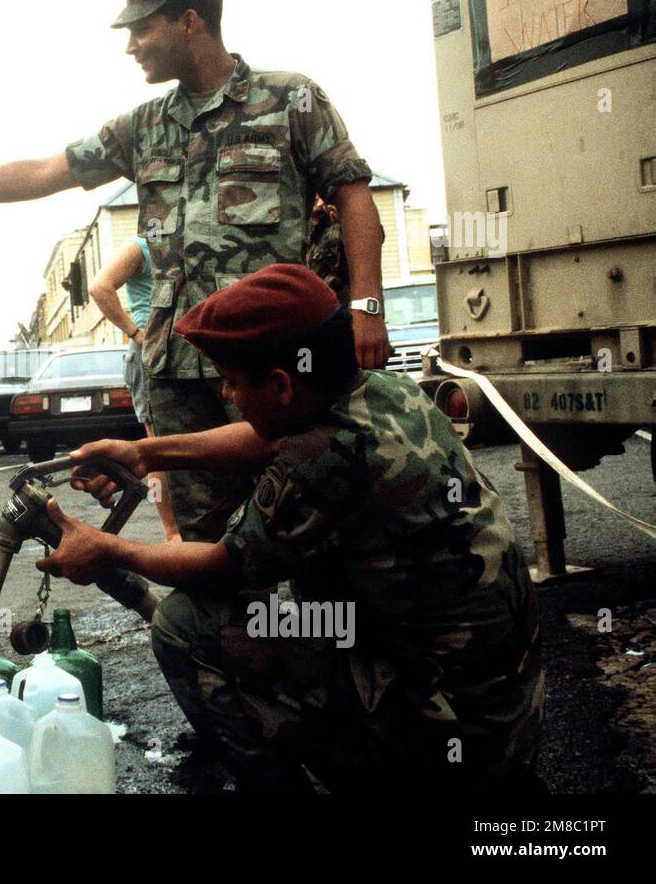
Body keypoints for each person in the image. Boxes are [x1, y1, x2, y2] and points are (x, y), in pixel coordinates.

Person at [0, 0, 387, 546]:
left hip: (270, 361)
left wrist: (366, 307)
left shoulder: (290, 99)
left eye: (141, 28)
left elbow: (357, 200)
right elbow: (46, 171)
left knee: (307, 512)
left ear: (188, 20)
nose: (130, 45)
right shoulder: (144, 126)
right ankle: (217, 638)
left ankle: (322, 636)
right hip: (178, 365)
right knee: (203, 530)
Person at [41, 265, 544, 793]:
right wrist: (144, 452)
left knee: (185, 625)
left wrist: (106, 549)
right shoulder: (385, 391)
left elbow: (219, 567)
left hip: (445, 727)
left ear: (281, 385)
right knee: (305, 611)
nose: (229, 396)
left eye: (232, 382)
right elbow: (263, 441)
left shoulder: (318, 464)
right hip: (504, 704)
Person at [89, 235, 180, 542]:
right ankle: (172, 533)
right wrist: (137, 333)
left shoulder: (185, 241)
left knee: (185, 441)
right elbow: (99, 287)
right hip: (151, 354)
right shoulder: (140, 246)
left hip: (182, 350)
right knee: (156, 447)